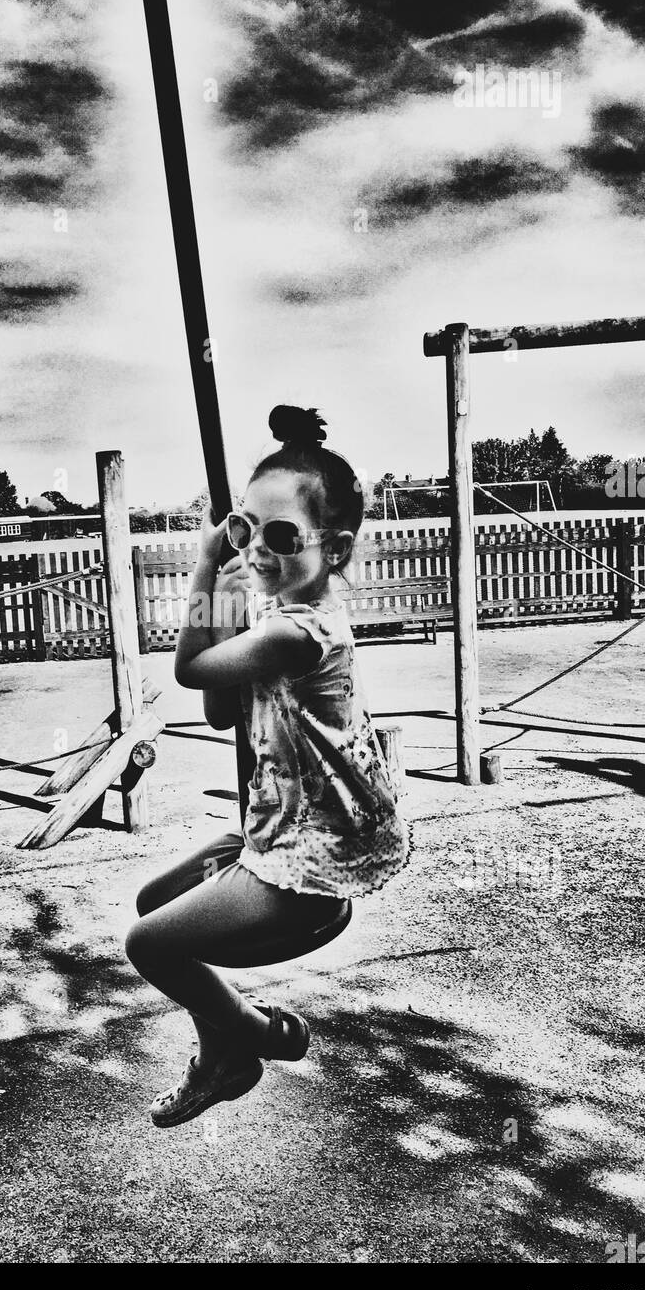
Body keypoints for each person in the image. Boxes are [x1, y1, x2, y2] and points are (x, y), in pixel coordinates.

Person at [125, 404, 410, 1127]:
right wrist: (229, 591)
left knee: (148, 945)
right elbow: (222, 712)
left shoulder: (297, 631)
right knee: (155, 905)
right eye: (246, 531)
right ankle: (223, 1054)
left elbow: (190, 670)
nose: (258, 551)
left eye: (282, 536)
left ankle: (256, 1038)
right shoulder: (269, 621)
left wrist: (206, 564)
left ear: (335, 549)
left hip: (308, 866)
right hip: (277, 833)